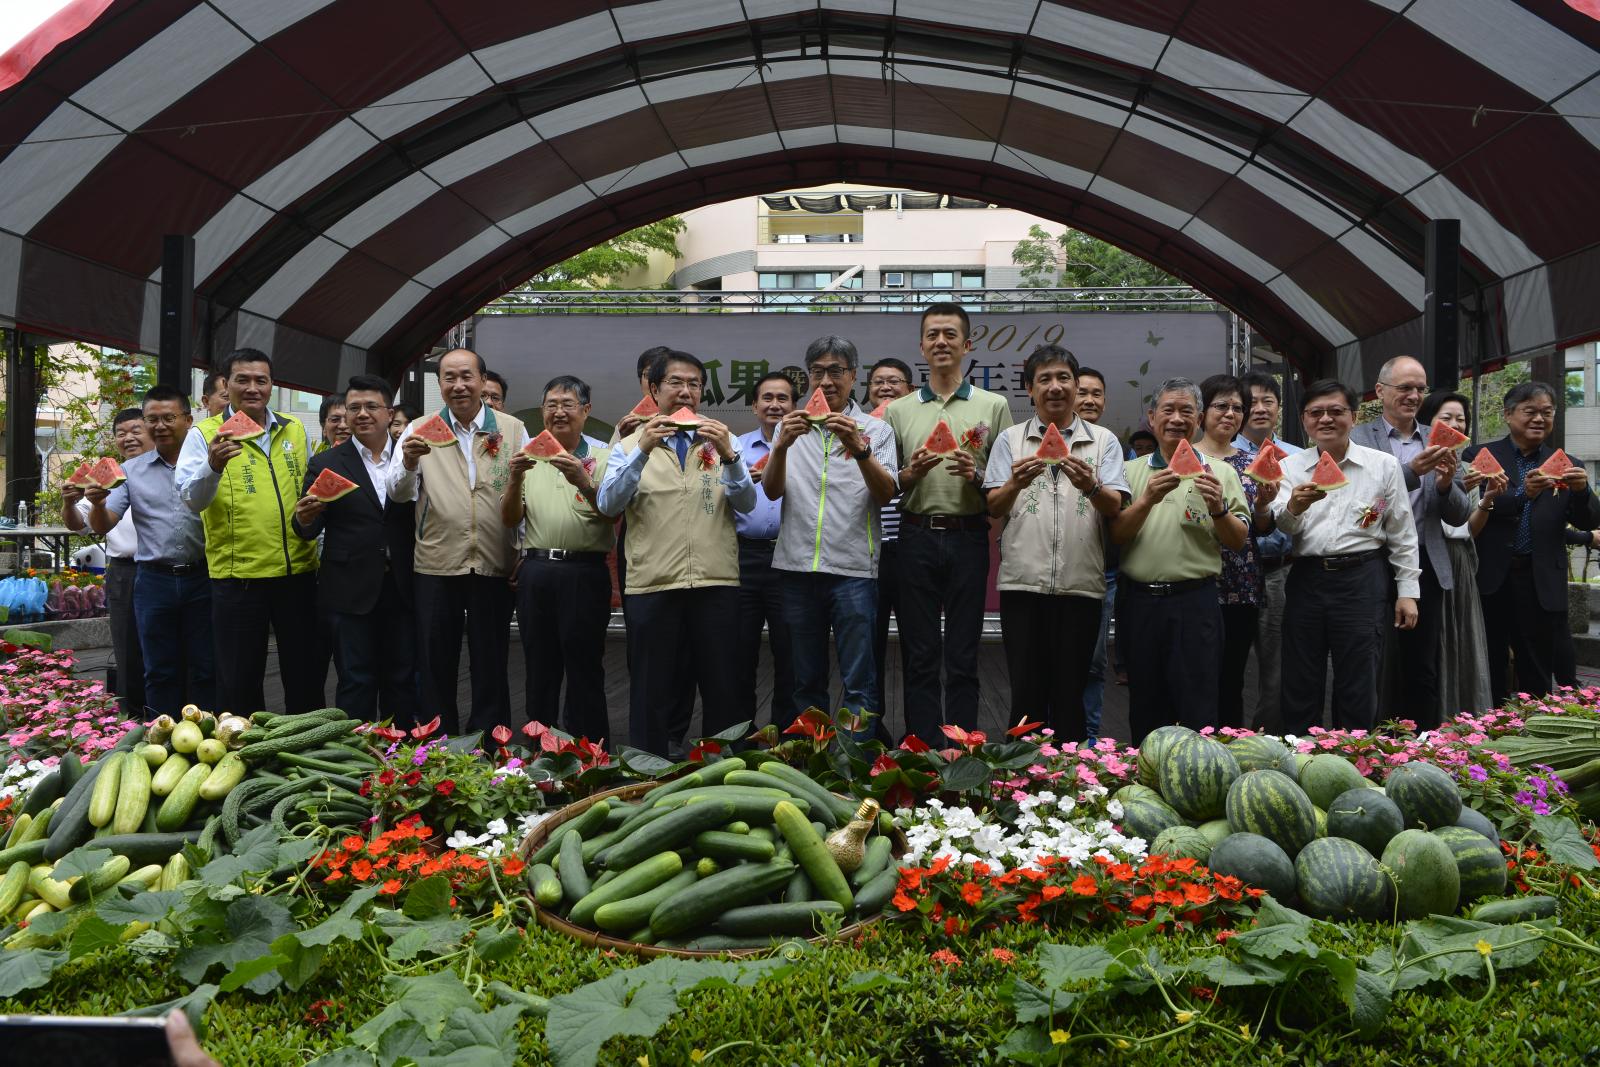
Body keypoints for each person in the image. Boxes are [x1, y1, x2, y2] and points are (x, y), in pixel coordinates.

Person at [597, 350, 756, 754]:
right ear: (654, 388)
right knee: (651, 687)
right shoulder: (630, 443)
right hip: (653, 583)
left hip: (716, 579)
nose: (685, 392)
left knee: (721, 685)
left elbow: (748, 504)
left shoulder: (723, 439)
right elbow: (609, 504)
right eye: (675, 383)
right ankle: (645, 766)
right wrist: (642, 451)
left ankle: (722, 769)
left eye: (694, 384)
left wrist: (732, 458)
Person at [884, 303, 1012, 746]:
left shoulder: (993, 406)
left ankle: (963, 748)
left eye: (950, 334)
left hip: (969, 536)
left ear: (966, 344)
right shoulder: (898, 411)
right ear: (921, 346)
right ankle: (921, 745)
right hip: (914, 534)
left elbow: (1003, 486)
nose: (941, 341)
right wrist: (910, 474)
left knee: (962, 652)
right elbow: (886, 484)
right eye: (933, 334)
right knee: (918, 652)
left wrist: (976, 475)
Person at [985, 345, 1127, 740]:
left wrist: (1091, 485)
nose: (1055, 386)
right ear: (1029, 389)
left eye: (1064, 378)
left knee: (1071, 694)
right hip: (1021, 584)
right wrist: (1016, 481)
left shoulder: (1103, 442)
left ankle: (1069, 784)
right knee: (1025, 693)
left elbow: (1115, 504)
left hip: (1081, 585)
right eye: (1044, 379)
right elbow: (993, 506)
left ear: (1076, 385)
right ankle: (1017, 780)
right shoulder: (1010, 440)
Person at [176, 348, 321, 715]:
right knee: (239, 683)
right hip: (238, 578)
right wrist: (212, 466)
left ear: (272, 385)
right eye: (243, 379)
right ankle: (243, 757)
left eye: (262, 380)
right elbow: (192, 501)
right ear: (227, 384)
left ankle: (308, 752)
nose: (253, 388)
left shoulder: (294, 428)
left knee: (305, 678)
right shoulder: (204, 435)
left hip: (297, 574)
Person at [1271, 380, 1420, 734]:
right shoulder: (1290, 468)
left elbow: (1401, 530)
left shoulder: (1382, 466)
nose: (1326, 419)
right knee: (1300, 678)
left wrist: (1408, 591)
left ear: (1353, 417)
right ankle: (1300, 757)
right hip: (1307, 578)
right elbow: (1283, 525)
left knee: (1359, 679)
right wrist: (1294, 506)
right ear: (1305, 420)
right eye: (1316, 413)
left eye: (1336, 411)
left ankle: (1356, 759)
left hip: (1363, 578)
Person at [763, 337, 898, 726]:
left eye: (836, 371)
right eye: (818, 371)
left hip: (854, 571)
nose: (826, 380)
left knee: (860, 681)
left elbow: (886, 493)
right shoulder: (790, 427)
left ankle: (857, 761)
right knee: (805, 680)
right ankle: (813, 762)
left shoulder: (876, 430)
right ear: (808, 377)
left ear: (853, 376)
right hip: (796, 569)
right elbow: (772, 491)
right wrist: (783, 447)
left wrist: (858, 447)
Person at [390, 348, 526, 734]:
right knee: (435, 661)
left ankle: (491, 740)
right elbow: (398, 495)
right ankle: (438, 740)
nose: (459, 385)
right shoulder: (419, 428)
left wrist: (523, 549)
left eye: (467, 376)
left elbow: (527, 492)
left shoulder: (512, 429)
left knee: (491, 659)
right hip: (436, 561)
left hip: (494, 561)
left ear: (483, 381)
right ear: (439, 384)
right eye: (449, 377)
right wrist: (410, 463)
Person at [1112, 378, 1250, 742]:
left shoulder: (1221, 473)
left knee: (1199, 705)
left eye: (1186, 411)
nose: (1176, 418)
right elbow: (1115, 537)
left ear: (1200, 418)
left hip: (1197, 602)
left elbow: (1238, 541)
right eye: (1168, 410)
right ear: (1151, 417)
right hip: (1139, 602)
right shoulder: (1128, 472)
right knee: (1144, 702)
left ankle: (1198, 785)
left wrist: (1219, 509)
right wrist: (1146, 500)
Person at [291, 376, 417, 725]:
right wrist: (302, 518)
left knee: (402, 679)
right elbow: (308, 527)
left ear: (389, 413)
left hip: (403, 585)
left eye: (371, 406)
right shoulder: (325, 463)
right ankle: (357, 761)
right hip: (348, 589)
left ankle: (403, 758)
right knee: (354, 680)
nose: (362, 414)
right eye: (354, 407)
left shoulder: (412, 457)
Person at [1351, 355, 1469, 729]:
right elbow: (1362, 506)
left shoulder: (1437, 437)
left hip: (1426, 561)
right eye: (1405, 387)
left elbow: (1459, 514)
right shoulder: (1356, 438)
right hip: (1369, 559)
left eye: (1420, 388)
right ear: (1381, 391)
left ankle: (1423, 744)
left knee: (1422, 663)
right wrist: (1411, 472)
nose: (1414, 395)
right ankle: (1365, 740)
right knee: (1367, 659)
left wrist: (1448, 484)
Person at [1465, 381, 1600, 702]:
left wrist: (1582, 492)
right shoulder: (1480, 455)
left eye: (1547, 412)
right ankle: (1488, 732)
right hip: (1492, 576)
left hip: (1540, 580)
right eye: (1530, 411)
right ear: (1509, 414)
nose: (1539, 418)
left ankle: (1533, 732)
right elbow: (1479, 508)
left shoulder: (1569, 463)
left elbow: (1590, 522)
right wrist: (1522, 494)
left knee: (1537, 669)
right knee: (1490, 663)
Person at [89, 385, 214, 717]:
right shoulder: (131, 470)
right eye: (152, 419)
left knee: (205, 666)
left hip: (204, 576)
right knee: (158, 668)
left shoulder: (209, 463)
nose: (160, 425)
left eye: (169, 417)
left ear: (188, 419)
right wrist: (97, 504)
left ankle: (206, 739)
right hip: (153, 581)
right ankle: (160, 740)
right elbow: (103, 524)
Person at [503, 375, 614, 740]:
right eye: (551, 405)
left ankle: (590, 749)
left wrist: (582, 480)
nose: (559, 412)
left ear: (586, 410)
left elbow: (613, 513)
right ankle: (539, 747)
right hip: (536, 571)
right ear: (542, 411)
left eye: (568, 405)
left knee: (585, 665)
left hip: (585, 571)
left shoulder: (602, 456)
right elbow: (509, 519)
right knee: (539, 665)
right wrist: (516, 478)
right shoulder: (527, 455)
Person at [1195, 375, 1281, 728]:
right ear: (1202, 411)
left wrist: (1263, 506)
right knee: (1197, 674)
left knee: (1232, 676)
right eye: (1221, 405)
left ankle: (1230, 746)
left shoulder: (1253, 462)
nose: (1229, 414)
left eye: (1237, 408)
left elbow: (1262, 528)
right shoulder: (1185, 457)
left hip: (1241, 582)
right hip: (1195, 581)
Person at [63, 408, 149, 716]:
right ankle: (133, 717)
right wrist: (68, 503)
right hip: (124, 570)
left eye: (136, 430)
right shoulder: (106, 478)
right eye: (121, 433)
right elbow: (79, 524)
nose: (129, 438)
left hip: (165, 570)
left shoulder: (171, 471)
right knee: (127, 650)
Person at [1417, 390, 1493, 719]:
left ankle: (1461, 716)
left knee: (1462, 641)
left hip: (1459, 561)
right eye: (1445, 418)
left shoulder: (1466, 468)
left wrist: (1487, 500)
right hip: (1428, 558)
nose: (1454, 424)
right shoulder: (1414, 463)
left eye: (1460, 419)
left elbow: (1468, 529)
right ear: (1426, 423)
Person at [734, 371, 799, 726]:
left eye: (783, 399)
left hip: (790, 558)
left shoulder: (805, 447)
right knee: (740, 653)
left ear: (794, 406)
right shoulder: (736, 448)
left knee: (789, 654)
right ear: (755, 406)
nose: (775, 405)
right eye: (767, 398)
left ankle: (786, 737)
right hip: (744, 557)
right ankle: (742, 735)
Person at [1233, 370, 1294, 733]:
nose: (1259, 409)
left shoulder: (1298, 457)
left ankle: (1268, 742)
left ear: (1279, 408)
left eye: (1267, 401)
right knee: (1229, 665)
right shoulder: (1219, 455)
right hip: (1234, 573)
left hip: (1281, 572)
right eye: (1250, 402)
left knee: (1278, 668)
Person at [866, 357, 915, 726]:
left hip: (910, 546)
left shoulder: (917, 431)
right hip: (868, 546)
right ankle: (873, 726)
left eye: (894, 381)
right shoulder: (859, 430)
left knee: (918, 645)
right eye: (878, 381)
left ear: (910, 390)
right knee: (870, 645)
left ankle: (921, 729)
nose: (885, 387)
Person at [1076, 365, 1117, 738]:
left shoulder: (1109, 444)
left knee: (1093, 661)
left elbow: (1116, 507)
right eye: (1082, 391)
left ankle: (1088, 738)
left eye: (1097, 393)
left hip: (1101, 569)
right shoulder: (1033, 442)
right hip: (1051, 570)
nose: (1090, 399)